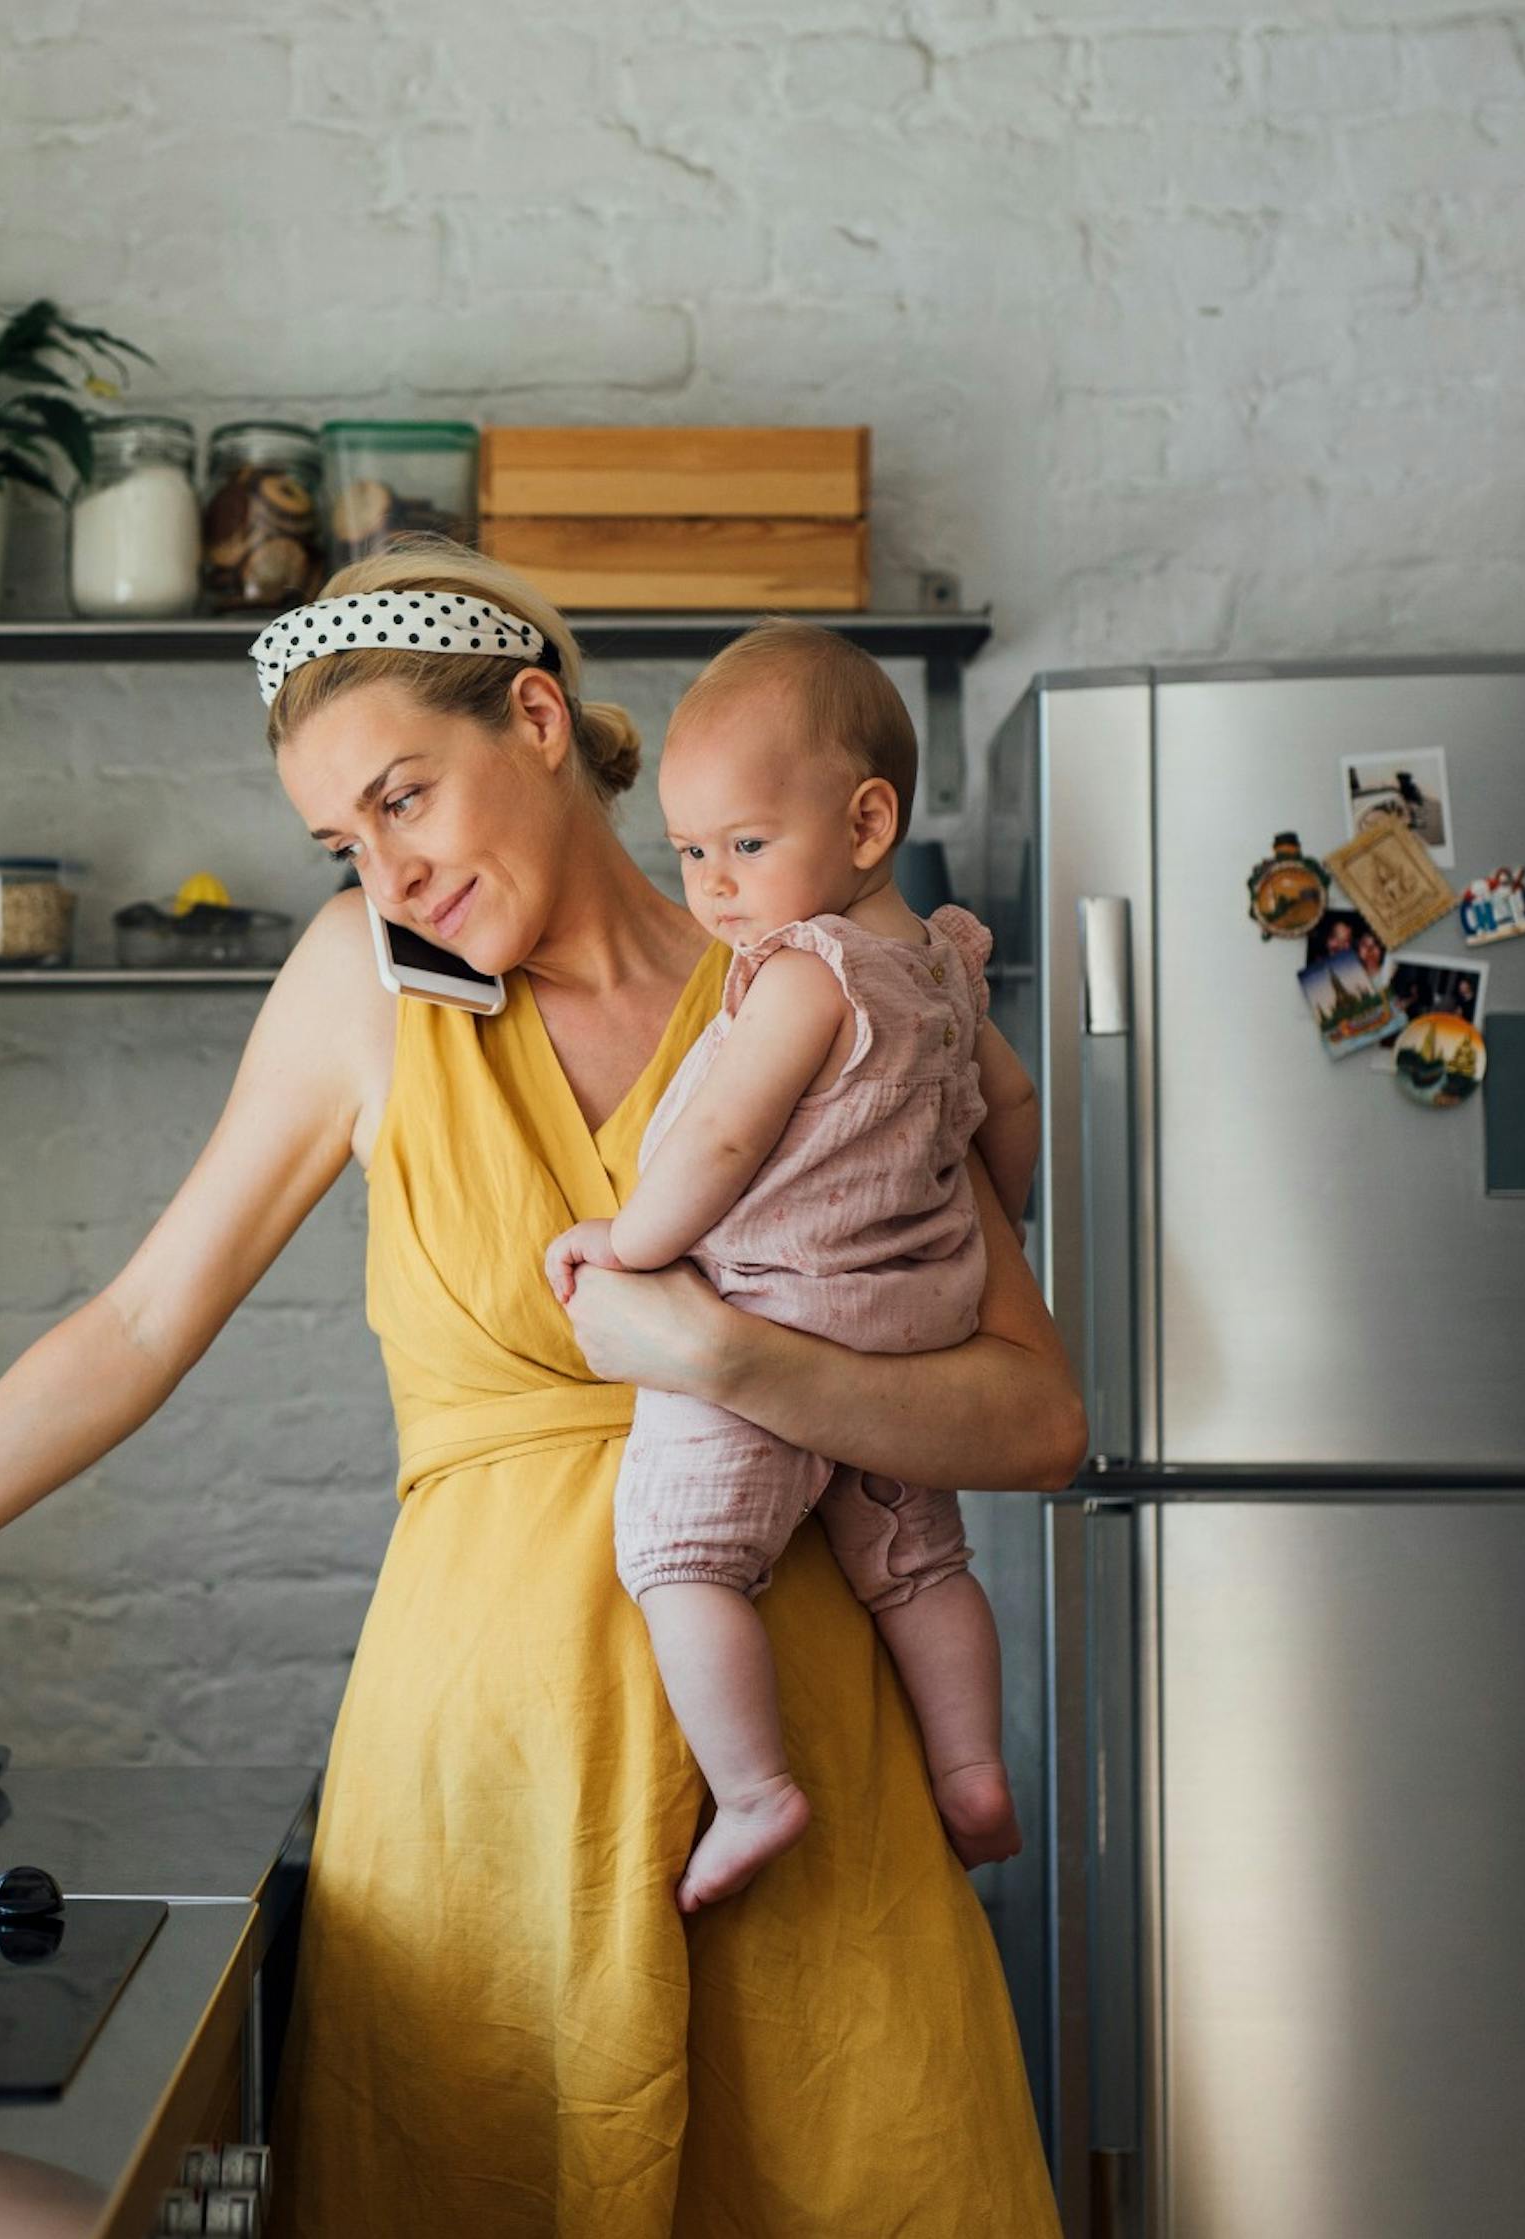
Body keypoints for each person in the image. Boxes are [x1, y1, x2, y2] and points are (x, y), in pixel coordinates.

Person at [0, 543, 1076, 2235]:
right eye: (341, 843)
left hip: (804, 1804)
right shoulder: (362, 987)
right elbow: (145, 1320)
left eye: (405, 800)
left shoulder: (815, 981)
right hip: (480, 1801)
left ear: (533, 718)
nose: (391, 872)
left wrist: (735, 1360)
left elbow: (1039, 1420)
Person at [542, 622, 1039, 1912]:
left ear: (867, 824)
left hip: (769, 1313)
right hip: (913, 1330)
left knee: (681, 1561)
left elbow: (718, 1136)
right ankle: (975, 1767)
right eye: (690, 851)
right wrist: (1009, 1227)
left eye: (744, 846)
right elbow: (1017, 1103)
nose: (711, 888)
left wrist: (631, 1244)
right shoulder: (944, 965)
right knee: (921, 1564)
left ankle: (755, 1789)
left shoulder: (803, 974)